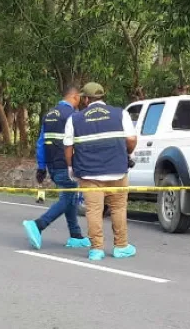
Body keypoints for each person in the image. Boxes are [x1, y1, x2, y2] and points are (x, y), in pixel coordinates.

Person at [64, 82, 137, 261]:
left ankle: (96, 249)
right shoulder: (121, 114)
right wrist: (126, 154)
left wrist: (71, 167)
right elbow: (131, 139)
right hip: (117, 171)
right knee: (118, 208)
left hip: (89, 174)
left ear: (86, 99)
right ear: (102, 97)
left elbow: (68, 146)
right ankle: (121, 246)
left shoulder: (75, 119)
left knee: (94, 210)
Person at [22, 86, 91, 250]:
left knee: (70, 198)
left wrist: (41, 166)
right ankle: (38, 224)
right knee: (67, 198)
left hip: (52, 166)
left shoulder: (49, 114)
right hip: (66, 165)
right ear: (74, 97)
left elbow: (41, 142)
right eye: (79, 98)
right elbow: (78, 142)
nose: (80, 102)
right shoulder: (73, 116)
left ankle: (75, 235)